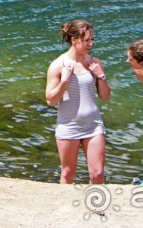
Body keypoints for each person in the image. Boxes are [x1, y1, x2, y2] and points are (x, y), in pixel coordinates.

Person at [45, 20, 111, 184]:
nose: (90, 44)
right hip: (69, 126)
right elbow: (50, 100)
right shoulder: (58, 65)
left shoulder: (94, 63)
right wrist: (65, 81)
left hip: (93, 125)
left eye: (92, 40)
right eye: (86, 40)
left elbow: (105, 97)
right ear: (74, 40)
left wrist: (101, 76)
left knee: (97, 173)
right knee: (68, 174)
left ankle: (95, 207)